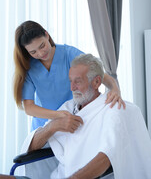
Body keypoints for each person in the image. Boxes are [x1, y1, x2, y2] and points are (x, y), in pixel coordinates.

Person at [21, 54, 151, 179]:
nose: (72, 87)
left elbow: (108, 155)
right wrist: (52, 127)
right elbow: (31, 146)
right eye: (70, 81)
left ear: (96, 82)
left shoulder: (112, 110)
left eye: (77, 81)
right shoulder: (67, 108)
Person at [13, 20, 125, 131]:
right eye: (33, 52)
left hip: (72, 121)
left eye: (42, 46)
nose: (40, 53)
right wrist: (58, 116)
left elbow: (101, 75)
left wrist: (115, 89)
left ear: (47, 35)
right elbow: (29, 108)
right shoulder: (29, 67)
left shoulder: (69, 54)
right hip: (44, 127)